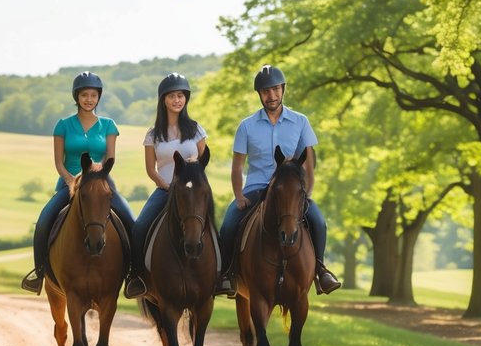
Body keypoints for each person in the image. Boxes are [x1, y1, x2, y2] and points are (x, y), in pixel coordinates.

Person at [216, 64, 341, 297]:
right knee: (229, 223)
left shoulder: (300, 121)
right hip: (256, 188)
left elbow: (309, 165)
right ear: (259, 95)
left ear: (283, 90)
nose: (271, 96)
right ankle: (227, 274)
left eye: (275, 90)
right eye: (266, 91)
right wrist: (238, 196)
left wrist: (307, 193)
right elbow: (237, 166)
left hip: (291, 191)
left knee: (319, 222)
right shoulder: (246, 126)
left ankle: (320, 271)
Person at [21, 71, 136, 294]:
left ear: (98, 97)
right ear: (77, 97)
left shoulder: (109, 125)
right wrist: (71, 181)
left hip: (101, 182)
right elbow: (58, 161)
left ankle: (134, 275)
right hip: (69, 182)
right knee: (44, 221)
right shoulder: (63, 125)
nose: (89, 99)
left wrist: (96, 177)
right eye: (84, 94)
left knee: (132, 222)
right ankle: (39, 273)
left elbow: (110, 158)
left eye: (93, 95)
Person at [124, 73, 209, 298]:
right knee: (140, 226)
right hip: (165, 190)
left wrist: (194, 188)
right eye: (172, 96)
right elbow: (151, 168)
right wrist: (165, 184)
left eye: (181, 96)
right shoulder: (153, 135)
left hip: (191, 192)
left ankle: (219, 274)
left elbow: (203, 161)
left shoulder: (196, 129)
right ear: (163, 100)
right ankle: (136, 276)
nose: (177, 100)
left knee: (213, 226)